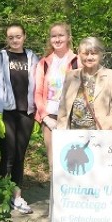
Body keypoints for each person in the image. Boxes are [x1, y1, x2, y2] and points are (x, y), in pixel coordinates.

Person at [0, 23, 39, 214]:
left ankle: (17, 197)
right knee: (8, 155)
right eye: (10, 37)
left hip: (26, 112)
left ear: (24, 36)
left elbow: (38, 84)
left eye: (18, 36)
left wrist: (37, 111)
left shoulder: (32, 57)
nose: (14, 40)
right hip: (7, 112)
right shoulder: (1, 57)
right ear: (7, 39)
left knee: (20, 154)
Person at [56, 37, 112, 131]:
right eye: (85, 54)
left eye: (94, 53)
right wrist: (61, 134)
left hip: (102, 135)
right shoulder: (71, 76)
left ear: (101, 55)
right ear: (79, 54)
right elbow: (63, 110)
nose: (89, 57)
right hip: (74, 137)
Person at [34, 22, 80, 164]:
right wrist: (45, 117)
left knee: (72, 160)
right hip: (50, 116)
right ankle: (53, 187)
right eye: (54, 36)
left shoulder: (77, 61)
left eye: (61, 35)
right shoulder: (44, 63)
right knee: (54, 161)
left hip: (73, 117)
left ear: (68, 37)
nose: (57, 39)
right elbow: (38, 92)